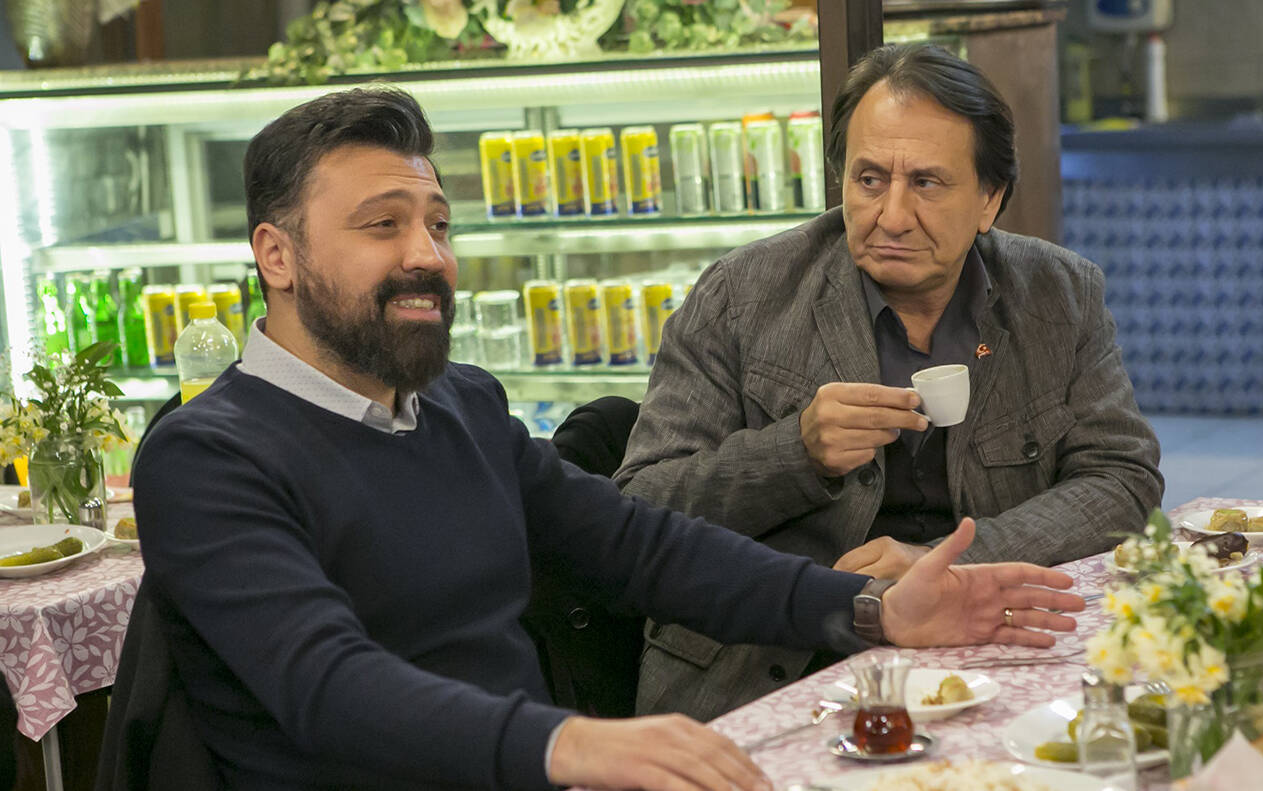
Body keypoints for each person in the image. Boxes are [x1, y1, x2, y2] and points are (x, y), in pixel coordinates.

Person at [132, 86, 1086, 791]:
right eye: (383, 225)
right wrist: (574, 742)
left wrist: (872, 610)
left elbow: (641, 549)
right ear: (277, 255)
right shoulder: (207, 456)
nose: (428, 255)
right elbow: (328, 684)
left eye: (438, 224)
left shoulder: (460, 405)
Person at [615, 42, 1163, 722]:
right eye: (870, 180)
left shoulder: (1058, 292)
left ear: (989, 199)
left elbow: (1121, 478)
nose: (893, 216)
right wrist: (796, 453)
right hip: (771, 666)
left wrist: (941, 564)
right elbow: (637, 511)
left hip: (986, 651)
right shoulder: (742, 297)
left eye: (927, 183)